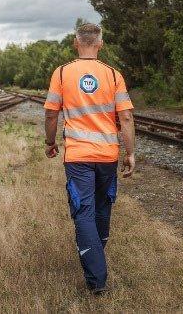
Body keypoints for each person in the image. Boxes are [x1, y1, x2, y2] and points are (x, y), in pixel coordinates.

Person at [43, 21, 136, 295]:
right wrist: (130, 153)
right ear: (100, 44)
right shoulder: (113, 75)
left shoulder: (61, 73)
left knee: (83, 210)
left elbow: (50, 113)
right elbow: (126, 117)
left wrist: (50, 142)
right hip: (107, 155)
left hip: (78, 156)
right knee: (102, 207)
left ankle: (96, 278)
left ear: (75, 43)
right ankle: (95, 258)